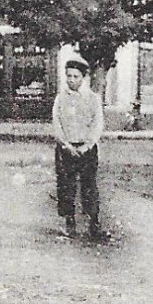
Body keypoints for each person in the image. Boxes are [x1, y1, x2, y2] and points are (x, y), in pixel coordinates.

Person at [51, 56, 104, 238]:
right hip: (66, 149)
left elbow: (97, 124)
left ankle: (94, 223)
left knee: (89, 186)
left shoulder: (92, 99)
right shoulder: (60, 98)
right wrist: (65, 144)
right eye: (69, 76)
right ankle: (69, 222)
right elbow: (56, 122)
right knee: (66, 186)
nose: (71, 80)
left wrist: (87, 146)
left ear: (83, 78)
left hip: (86, 150)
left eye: (75, 76)